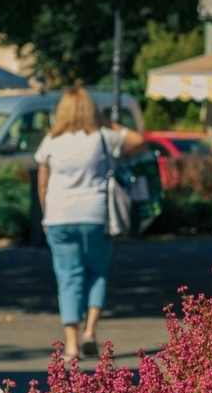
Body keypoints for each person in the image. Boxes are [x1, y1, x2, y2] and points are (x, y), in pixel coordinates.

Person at [35, 88, 146, 359]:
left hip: (60, 216)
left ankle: (71, 345)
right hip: (97, 215)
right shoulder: (103, 136)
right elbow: (139, 141)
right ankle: (90, 331)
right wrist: (109, 123)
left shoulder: (51, 140)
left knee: (68, 277)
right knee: (97, 271)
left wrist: (45, 214)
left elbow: (42, 183)